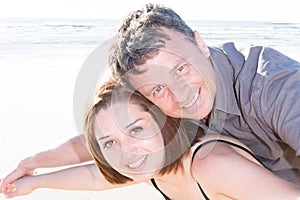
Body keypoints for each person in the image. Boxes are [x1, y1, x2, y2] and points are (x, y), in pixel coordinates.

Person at [1, 2, 300, 192]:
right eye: (158, 88)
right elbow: (105, 142)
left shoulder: (272, 84)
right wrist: (35, 164)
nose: (181, 94)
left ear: (199, 42)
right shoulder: (163, 116)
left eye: (181, 67)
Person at [3, 81, 300, 199]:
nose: (126, 152)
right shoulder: (154, 164)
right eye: (110, 144)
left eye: (136, 130)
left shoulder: (212, 164)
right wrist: (32, 174)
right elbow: (96, 176)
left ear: (163, 121)